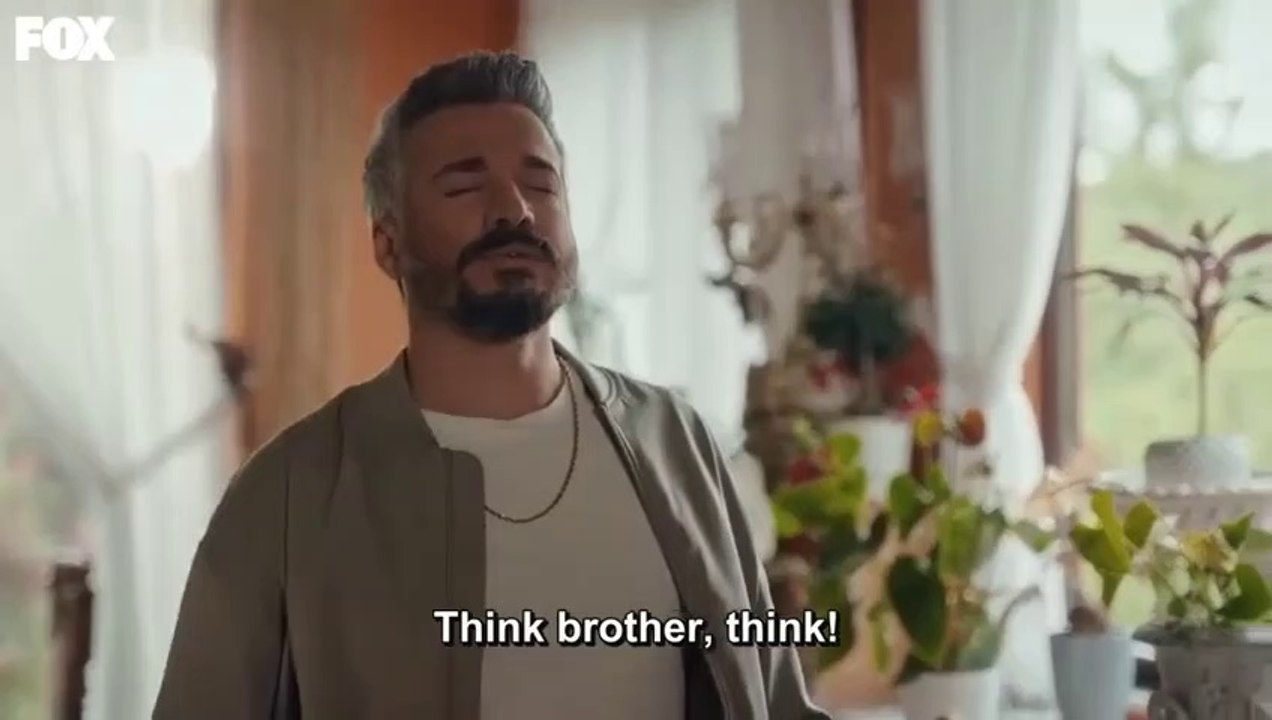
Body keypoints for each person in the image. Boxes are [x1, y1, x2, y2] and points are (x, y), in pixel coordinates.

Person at [153, 51, 828, 720]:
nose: (515, 211)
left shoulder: (675, 444)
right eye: (464, 187)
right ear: (388, 244)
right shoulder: (291, 494)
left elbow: (775, 704)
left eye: (541, 185)